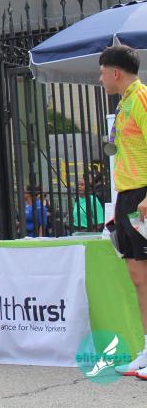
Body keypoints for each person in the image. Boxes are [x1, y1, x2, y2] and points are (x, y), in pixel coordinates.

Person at [96, 45, 147, 378]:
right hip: (127, 198)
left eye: (102, 72)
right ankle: (146, 348)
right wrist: (118, 205)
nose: (100, 79)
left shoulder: (142, 98)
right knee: (138, 277)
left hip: (143, 195)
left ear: (116, 72)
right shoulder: (124, 102)